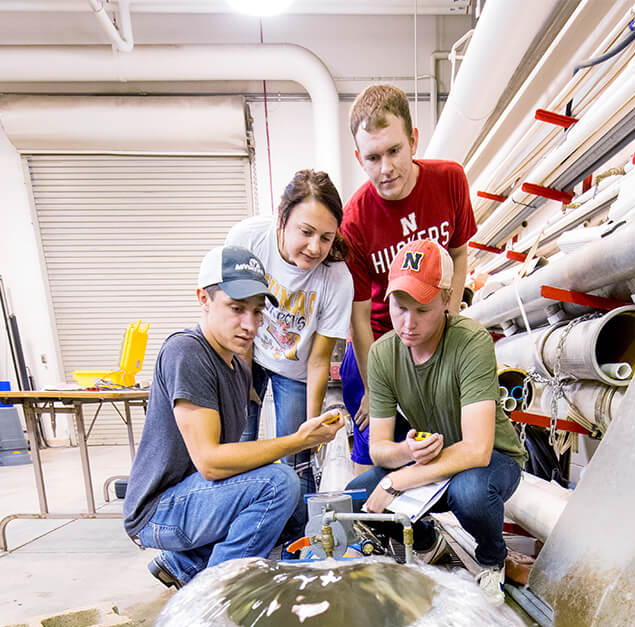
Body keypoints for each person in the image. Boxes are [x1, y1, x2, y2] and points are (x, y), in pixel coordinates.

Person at [123, 244, 344, 589]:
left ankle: (183, 564)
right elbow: (211, 462)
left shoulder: (236, 363)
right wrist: (297, 441)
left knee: (281, 513)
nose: (250, 324)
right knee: (278, 485)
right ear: (203, 299)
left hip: (192, 497)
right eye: (236, 308)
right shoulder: (187, 352)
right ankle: (216, 593)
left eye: (257, 312)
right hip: (160, 511)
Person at [346, 239, 527, 601]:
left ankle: (493, 561)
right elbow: (380, 449)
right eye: (399, 308)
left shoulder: (471, 341)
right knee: (354, 499)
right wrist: (407, 450)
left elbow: (477, 450)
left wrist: (399, 479)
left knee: (471, 493)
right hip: (431, 461)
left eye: (422, 310)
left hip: (492, 461)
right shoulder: (383, 354)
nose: (408, 323)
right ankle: (425, 537)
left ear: (446, 300)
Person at [340, 84, 478, 471]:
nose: (386, 168)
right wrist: (374, 385)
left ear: (413, 140)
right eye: (372, 157)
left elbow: (457, 251)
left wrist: (447, 322)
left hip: (433, 328)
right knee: (379, 453)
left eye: (394, 151)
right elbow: (359, 314)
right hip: (379, 343)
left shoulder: (450, 180)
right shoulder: (354, 220)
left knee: (440, 445)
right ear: (359, 158)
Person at [225, 170, 353, 534]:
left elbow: (318, 359)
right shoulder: (247, 239)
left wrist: (310, 429)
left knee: (296, 453)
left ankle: (300, 535)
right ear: (282, 215)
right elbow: (235, 318)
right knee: (241, 442)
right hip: (247, 349)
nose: (315, 247)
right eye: (306, 232)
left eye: (326, 238)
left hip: (296, 366)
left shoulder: (337, 279)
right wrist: (245, 379)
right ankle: (241, 529)